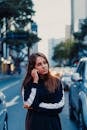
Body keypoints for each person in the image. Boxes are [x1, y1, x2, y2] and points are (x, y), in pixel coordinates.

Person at [21, 52, 65, 130]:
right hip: (34, 125)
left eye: (45, 63)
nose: (44, 66)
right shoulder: (28, 84)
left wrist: (36, 107)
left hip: (53, 124)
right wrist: (35, 82)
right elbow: (28, 103)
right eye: (39, 64)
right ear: (33, 68)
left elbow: (59, 105)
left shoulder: (56, 81)